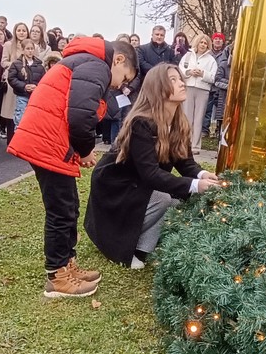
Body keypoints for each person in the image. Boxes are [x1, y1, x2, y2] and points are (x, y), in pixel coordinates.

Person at [7, 38, 138, 298]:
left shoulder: (87, 62)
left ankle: (67, 265)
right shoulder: (97, 66)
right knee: (60, 211)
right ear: (119, 60)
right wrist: (85, 150)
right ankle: (57, 277)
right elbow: (80, 116)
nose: (120, 85)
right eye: (124, 78)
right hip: (47, 141)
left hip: (51, 141)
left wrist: (77, 151)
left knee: (69, 207)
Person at [85, 63, 220, 269]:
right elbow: (150, 174)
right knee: (163, 199)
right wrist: (194, 186)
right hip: (115, 186)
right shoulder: (142, 122)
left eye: (179, 79)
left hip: (139, 184)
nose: (181, 84)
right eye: (173, 80)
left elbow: (185, 163)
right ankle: (120, 245)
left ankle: (141, 249)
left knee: (175, 205)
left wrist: (202, 175)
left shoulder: (178, 122)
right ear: (158, 89)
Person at [179, 34, 218, 153]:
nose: (203, 45)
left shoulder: (211, 59)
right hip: (189, 87)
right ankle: (184, 144)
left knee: (199, 118)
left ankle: (195, 145)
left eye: (205, 43)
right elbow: (180, 70)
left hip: (203, 89)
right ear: (197, 43)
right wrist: (190, 71)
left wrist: (202, 74)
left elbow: (213, 77)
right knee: (187, 117)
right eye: (201, 42)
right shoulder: (187, 56)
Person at [8, 39, 45, 124]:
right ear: (23, 50)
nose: (30, 51)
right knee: (20, 120)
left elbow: (43, 80)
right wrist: (24, 86)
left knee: (33, 121)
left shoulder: (39, 65)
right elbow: (12, 78)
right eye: (28, 49)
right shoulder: (16, 64)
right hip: (22, 96)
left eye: (32, 49)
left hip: (35, 97)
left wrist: (36, 87)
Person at [205, 32, 232, 137]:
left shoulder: (224, 54)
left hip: (219, 87)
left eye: (220, 39)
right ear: (212, 40)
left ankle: (217, 130)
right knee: (207, 109)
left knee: (220, 110)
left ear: (223, 41)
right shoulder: (208, 54)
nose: (218, 41)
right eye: (216, 38)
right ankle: (205, 130)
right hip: (209, 84)